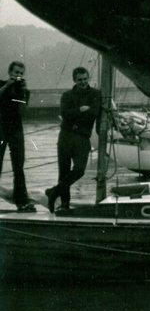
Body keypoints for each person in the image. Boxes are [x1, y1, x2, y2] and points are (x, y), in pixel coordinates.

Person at [46, 67, 102, 213]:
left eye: (85, 79)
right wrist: (80, 110)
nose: (83, 82)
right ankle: (64, 205)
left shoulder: (96, 94)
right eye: (79, 80)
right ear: (74, 80)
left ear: (88, 78)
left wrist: (75, 113)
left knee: (79, 170)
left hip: (82, 137)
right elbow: (64, 114)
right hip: (66, 136)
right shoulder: (67, 95)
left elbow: (93, 114)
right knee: (63, 172)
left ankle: (53, 192)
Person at [0, 61, 35, 212]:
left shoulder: (24, 91)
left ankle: (21, 202)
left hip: (16, 129)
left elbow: (24, 113)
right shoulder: (1, 85)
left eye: (21, 73)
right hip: (0, 127)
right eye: (16, 72)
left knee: (18, 166)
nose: (18, 76)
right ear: (10, 73)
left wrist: (23, 93)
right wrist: (7, 86)